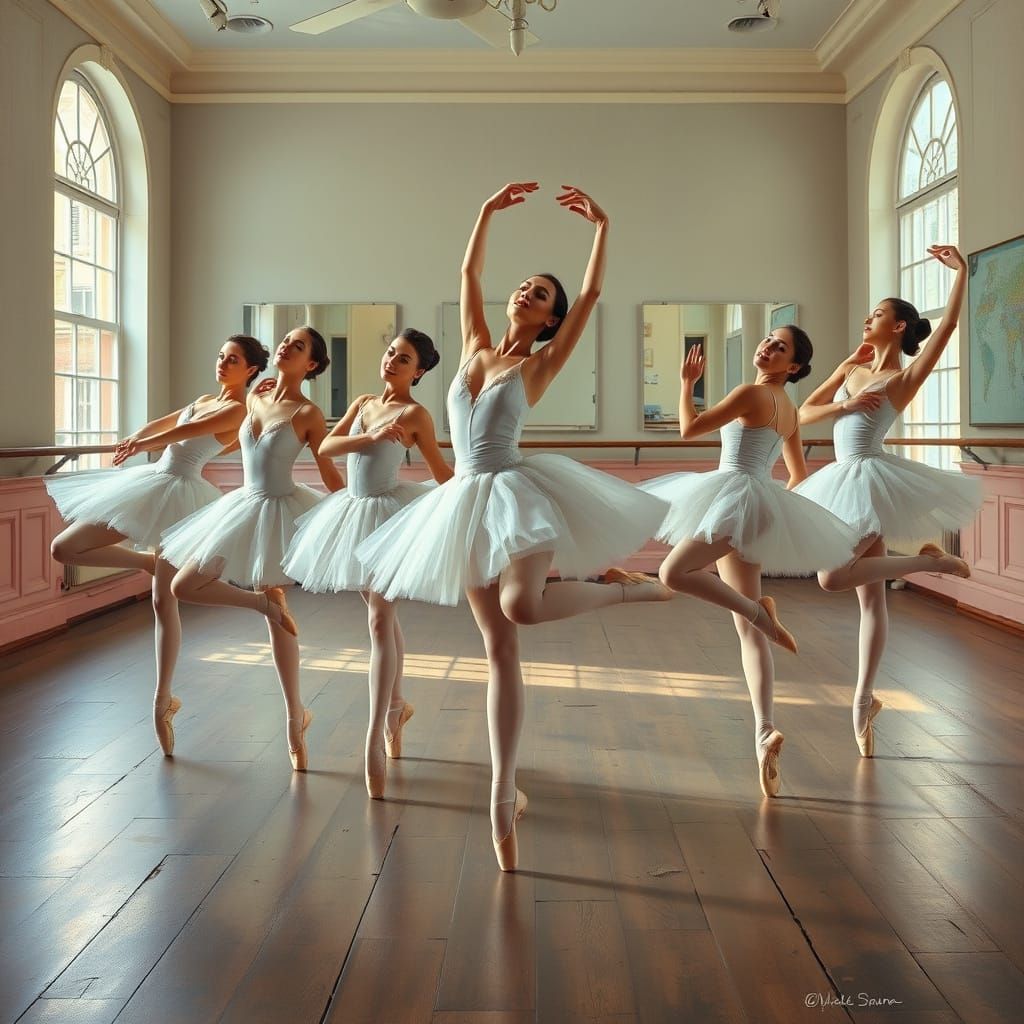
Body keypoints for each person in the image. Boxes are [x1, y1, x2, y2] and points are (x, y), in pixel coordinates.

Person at [357, 183, 670, 868]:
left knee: (522, 606)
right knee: (498, 646)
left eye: (541, 296)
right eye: (525, 287)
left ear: (550, 321)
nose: (528, 294)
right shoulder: (473, 344)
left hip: (519, 492)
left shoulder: (539, 363)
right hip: (463, 501)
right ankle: (504, 795)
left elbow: (589, 299)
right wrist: (486, 211)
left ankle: (630, 589)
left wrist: (603, 226)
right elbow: (467, 274)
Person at [642, 328, 860, 796]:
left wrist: (686, 383)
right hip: (757, 504)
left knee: (672, 573)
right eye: (767, 340)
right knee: (748, 633)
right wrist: (772, 511)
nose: (767, 347)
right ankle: (765, 732)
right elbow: (798, 474)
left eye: (780, 347)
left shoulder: (751, 393)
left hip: (732, 498)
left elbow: (688, 429)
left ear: (794, 368)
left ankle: (763, 611)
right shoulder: (791, 411)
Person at [796, 244, 980, 756]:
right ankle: (864, 702)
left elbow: (943, 333)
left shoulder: (902, 377)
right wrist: (845, 390)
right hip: (842, 479)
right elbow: (805, 414)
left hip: (870, 479)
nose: (867, 318)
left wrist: (961, 275)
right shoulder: (853, 370)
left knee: (832, 578)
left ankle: (929, 563)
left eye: (877, 314)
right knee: (870, 598)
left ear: (898, 326)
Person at [47, 335, 269, 754]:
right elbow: (167, 423)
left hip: (183, 496)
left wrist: (145, 446)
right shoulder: (206, 396)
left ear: (252, 369)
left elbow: (187, 431)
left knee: (162, 603)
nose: (223, 363)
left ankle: (163, 698)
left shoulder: (237, 409)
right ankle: (146, 563)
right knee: (64, 547)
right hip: (153, 484)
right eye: (221, 355)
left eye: (233, 359)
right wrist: (134, 438)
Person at [161, 326, 343, 770]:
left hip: (282, 510)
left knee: (277, 606)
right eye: (285, 341)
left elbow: (329, 470)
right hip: (243, 507)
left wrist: (347, 516)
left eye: (298, 347)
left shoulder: (308, 413)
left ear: (312, 365)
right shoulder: (253, 398)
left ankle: (294, 718)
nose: (286, 346)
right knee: (185, 585)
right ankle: (261, 605)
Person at [283, 328, 452, 799]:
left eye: (405, 359)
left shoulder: (416, 414)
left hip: (390, 516)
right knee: (382, 617)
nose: (393, 361)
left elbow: (441, 472)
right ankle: (397, 707)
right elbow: (326, 448)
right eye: (391, 353)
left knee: (379, 619)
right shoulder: (361, 403)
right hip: (351, 515)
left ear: (418, 372)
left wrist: (473, 503)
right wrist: (371, 435)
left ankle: (374, 737)